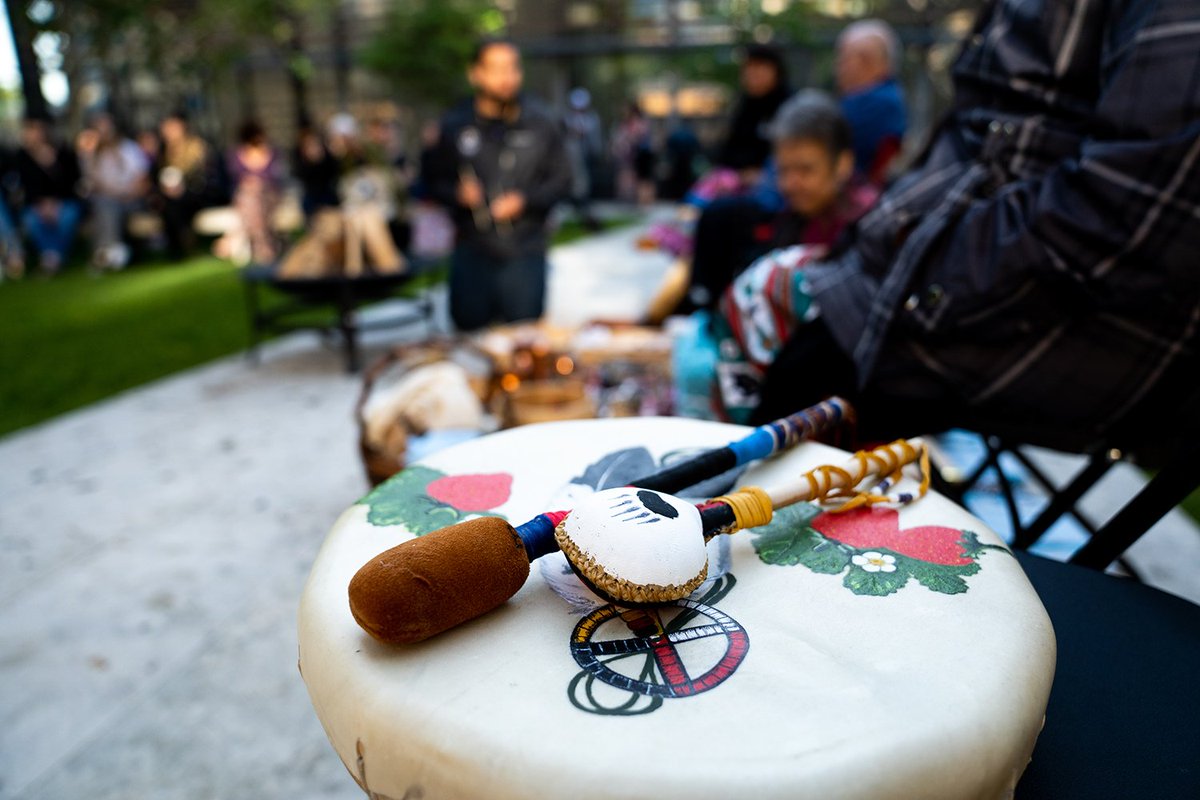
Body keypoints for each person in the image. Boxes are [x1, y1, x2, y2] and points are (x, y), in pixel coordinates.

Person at [712, 0, 1200, 438]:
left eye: (854, 60)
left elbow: (1124, 218)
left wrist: (913, 288)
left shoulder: (872, 107)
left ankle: (725, 507)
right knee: (756, 289)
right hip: (958, 256)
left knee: (786, 362)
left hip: (1054, 314)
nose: (843, 69)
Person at [671, 92, 879, 419]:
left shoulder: (867, 228)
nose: (792, 183)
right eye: (784, 170)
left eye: (806, 170)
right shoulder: (787, 219)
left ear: (843, 164)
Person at [426, 37, 571, 331]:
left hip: (524, 249)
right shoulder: (455, 124)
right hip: (472, 248)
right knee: (471, 336)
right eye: (496, 69)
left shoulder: (541, 122)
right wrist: (456, 194)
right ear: (476, 73)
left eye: (512, 68)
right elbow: (429, 181)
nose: (506, 77)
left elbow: (563, 180)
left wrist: (526, 200)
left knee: (524, 341)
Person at [835, 19, 907, 185]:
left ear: (885, 65)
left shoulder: (878, 102)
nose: (848, 65)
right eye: (843, 57)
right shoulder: (858, 99)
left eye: (864, 59)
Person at [77, 112, 150, 271]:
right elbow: (94, 184)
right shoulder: (93, 156)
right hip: (107, 201)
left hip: (132, 200)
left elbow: (142, 180)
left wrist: (126, 194)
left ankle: (104, 254)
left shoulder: (130, 149)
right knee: (104, 205)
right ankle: (111, 251)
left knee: (105, 206)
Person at [15, 116, 82, 275]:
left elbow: (73, 183)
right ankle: (54, 257)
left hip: (63, 202)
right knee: (31, 218)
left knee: (68, 216)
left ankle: (51, 258)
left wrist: (52, 166)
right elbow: (25, 187)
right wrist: (42, 204)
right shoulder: (22, 157)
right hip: (36, 204)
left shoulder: (63, 153)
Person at [715, 43, 792, 179]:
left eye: (758, 67)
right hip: (737, 177)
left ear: (775, 70)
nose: (752, 74)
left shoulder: (790, 107)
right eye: (748, 68)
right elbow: (728, 151)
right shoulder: (745, 105)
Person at [157, 110, 222, 258]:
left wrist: (183, 187)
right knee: (167, 204)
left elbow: (204, 177)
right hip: (171, 196)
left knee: (175, 205)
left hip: (196, 194)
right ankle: (177, 247)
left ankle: (181, 247)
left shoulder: (196, 147)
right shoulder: (163, 150)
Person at [222, 120, 285, 265]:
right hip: (246, 199)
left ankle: (238, 238)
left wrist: (258, 184)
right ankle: (264, 246)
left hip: (269, 196)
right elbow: (234, 179)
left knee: (255, 197)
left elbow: (277, 178)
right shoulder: (236, 155)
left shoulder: (272, 153)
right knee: (251, 197)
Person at [563, 87, 603, 229]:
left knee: (585, 186)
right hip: (573, 160)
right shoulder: (568, 119)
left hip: (587, 157)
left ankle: (587, 213)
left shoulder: (592, 119)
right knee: (578, 186)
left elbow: (595, 140)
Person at [612, 102, 655, 206]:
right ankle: (633, 199)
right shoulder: (628, 124)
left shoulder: (639, 123)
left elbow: (637, 137)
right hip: (633, 155)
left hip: (641, 154)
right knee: (631, 177)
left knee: (643, 179)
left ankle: (644, 201)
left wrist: (627, 142)